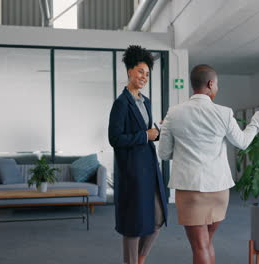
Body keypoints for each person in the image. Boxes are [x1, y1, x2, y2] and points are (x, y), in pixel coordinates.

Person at [158, 64, 259, 264]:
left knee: (200, 245)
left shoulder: (174, 113)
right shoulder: (223, 112)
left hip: (190, 189)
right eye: (217, 84)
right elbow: (243, 142)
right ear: (210, 84)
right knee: (207, 242)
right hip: (219, 190)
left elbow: (164, 153)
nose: (217, 88)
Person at [108, 45, 167, 264]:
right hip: (132, 170)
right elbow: (115, 139)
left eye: (147, 73)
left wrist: (157, 132)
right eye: (140, 71)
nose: (144, 77)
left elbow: (147, 132)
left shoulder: (146, 101)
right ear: (130, 71)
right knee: (133, 224)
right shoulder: (121, 104)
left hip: (149, 167)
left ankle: (140, 259)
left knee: (159, 217)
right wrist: (145, 135)